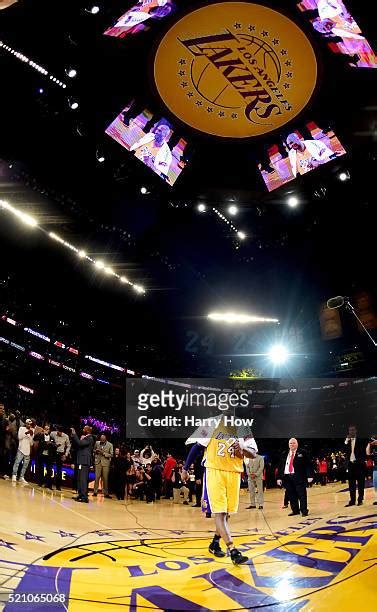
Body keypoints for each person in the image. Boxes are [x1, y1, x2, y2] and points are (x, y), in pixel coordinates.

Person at [183, 420, 258, 565]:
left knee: (227, 514)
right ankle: (233, 550)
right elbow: (197, 447)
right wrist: (185, 468)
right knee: (221, 513)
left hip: (234, 473)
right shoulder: (212, 423)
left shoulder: (243, 427)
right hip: (215, 471)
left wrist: (242, 448)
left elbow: (253, 453)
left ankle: (215, 543)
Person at [277, 438, 314, 517]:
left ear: (297, 444)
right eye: (290, 443)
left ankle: (304, 511)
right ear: (288, 445)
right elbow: (280, 467)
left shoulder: (303, 452)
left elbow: (308, 464)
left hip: (299, 477)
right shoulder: (284, 453)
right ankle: (295, 510)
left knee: (302, 494)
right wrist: (279, 478)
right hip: (287, 477)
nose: (292, 445)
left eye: (294, 443)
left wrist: (310, 475)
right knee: (291, 495)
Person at [70, 425, 95, 503]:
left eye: (84, 428)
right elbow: (78, 444)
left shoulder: (90, 438)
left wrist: (74, 434)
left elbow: (80, 443)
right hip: (81, 460)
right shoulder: (85, 437)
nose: (83, 429)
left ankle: (84, 497)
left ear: (88, 430)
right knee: (79, 479)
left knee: (83, 479)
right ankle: (80, 495)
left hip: (84, 461)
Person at [344, 425, 366, 506]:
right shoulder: (347, 441)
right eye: (350, 430)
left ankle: (360, 499)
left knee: (361, 483)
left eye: (353, 430)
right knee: (351, 484)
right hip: (350, 465)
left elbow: (363, 452)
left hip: (359, 465)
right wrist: (346, 441)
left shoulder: (361, 440)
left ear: (356, 431)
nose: (351, 432)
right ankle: (352, 500)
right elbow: (345, 451)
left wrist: (360, 461)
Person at [33, 424, 56, 489]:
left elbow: (54, 445)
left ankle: (47, 484)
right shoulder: (40, 435)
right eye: (45, 429)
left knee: (49, 469)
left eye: (47, 429)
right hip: (41, 454)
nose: (46, 430)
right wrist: (40, 433)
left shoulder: (51, 438)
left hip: (48, 455)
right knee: (40, 468)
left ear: (49, 430)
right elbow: (35, 438)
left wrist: (51, 444)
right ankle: (40, 482)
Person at [12, 419, 34, 484]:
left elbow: (31, 443)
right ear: (25, 423)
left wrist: (31, 436)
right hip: (21, 449)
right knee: (17, 463)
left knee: (25, 466)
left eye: (30, 424)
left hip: (27, 451)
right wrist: (26, 433)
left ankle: (21, 477)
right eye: (28, 424)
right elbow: (19, 437)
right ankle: (14, 475)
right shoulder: (21, 428)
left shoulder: (32, 430)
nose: (29, 425)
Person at [93, 433, 114, 498]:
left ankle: (106, 493)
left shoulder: (110, 445)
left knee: (105, 479)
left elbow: (111, 454)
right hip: (98, 463)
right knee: (96, 478)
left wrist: (103, 453)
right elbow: (93, 450)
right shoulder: (97, 443)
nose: (101, 440)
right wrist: (95, 451)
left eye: (103, 439)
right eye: (101, 439)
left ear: (105, 439)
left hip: (106, 464)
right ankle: (95, 492)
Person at [51, 426, 70, 491]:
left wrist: (66, 454)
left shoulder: (66, 436)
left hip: (61, 454)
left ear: (62, 432)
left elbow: (68, 446)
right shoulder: (52, 434)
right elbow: (49, 441)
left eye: (60, 432)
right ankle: (49, 484)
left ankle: (58, 486)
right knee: (50, 468)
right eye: (58, 431)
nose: (58, 433)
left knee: (59, 470)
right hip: (53, 453)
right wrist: (54, 445)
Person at [366, 436, 377, 505]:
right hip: (375, 468)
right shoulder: (373, 449)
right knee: (375, 484)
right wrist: (369, 444)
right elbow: (367, 453)